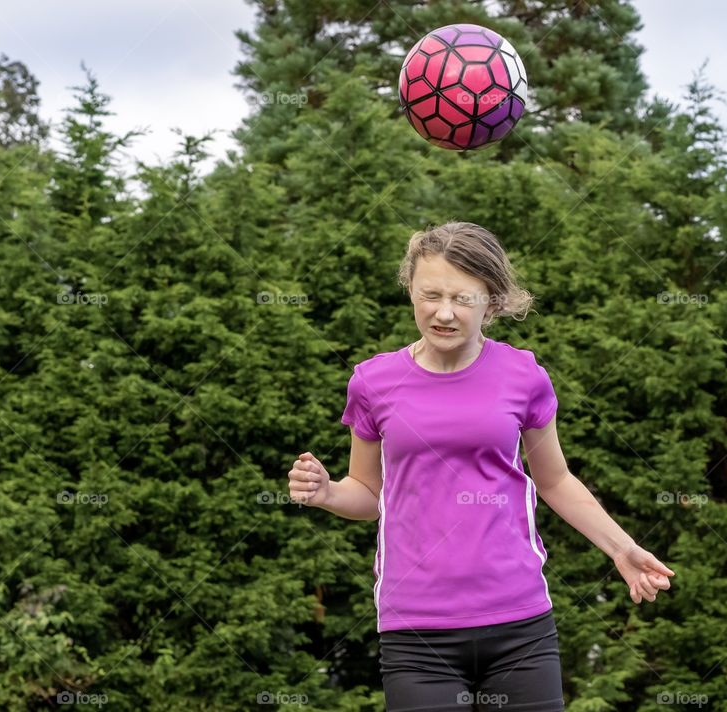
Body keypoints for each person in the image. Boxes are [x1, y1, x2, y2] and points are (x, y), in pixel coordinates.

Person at [287, 222, 674, 711]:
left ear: (491, 303)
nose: (443, 313)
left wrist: (621, 548)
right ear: (410, 290)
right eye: (429, 294)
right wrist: (326, 493)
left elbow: (553, 480)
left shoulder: (523, 375)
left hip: (520, 624)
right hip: (417, 630)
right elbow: (367, 493)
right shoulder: (372, 382)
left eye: (463, 299)